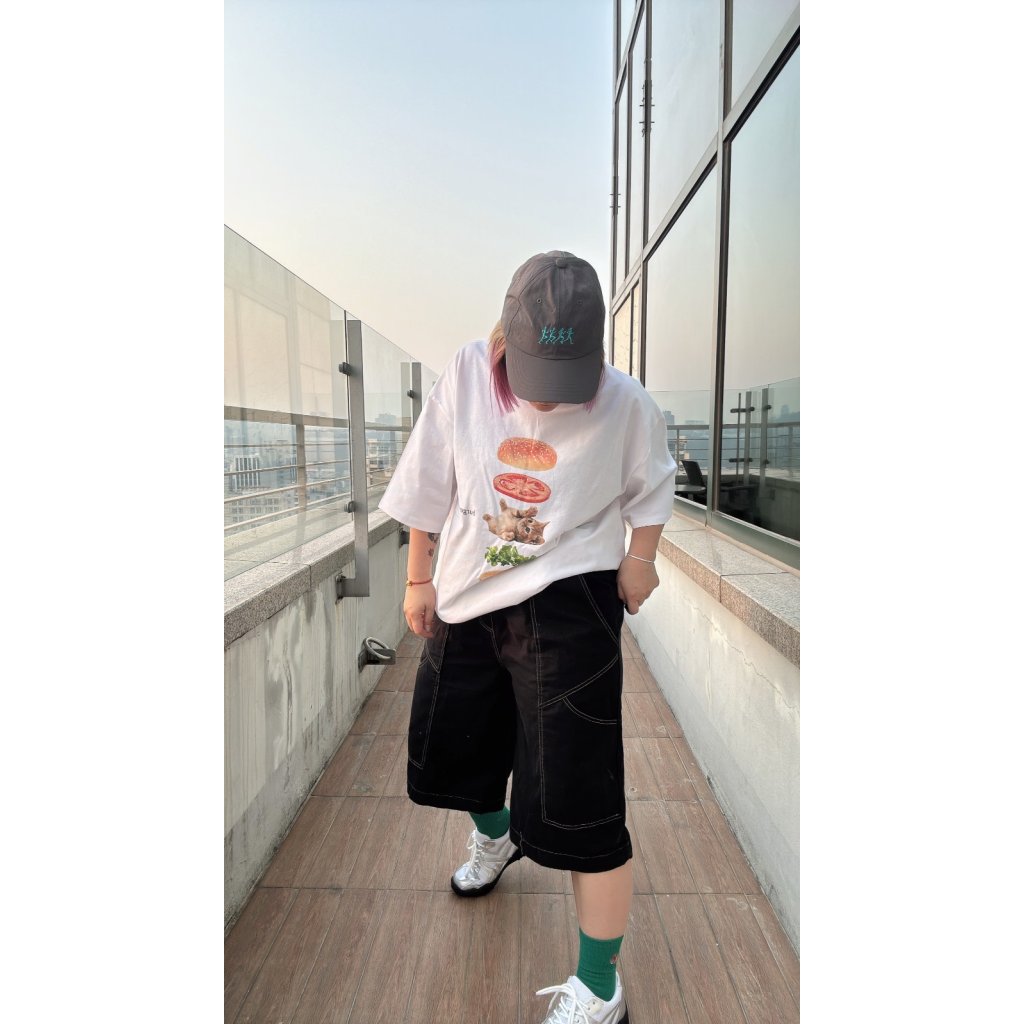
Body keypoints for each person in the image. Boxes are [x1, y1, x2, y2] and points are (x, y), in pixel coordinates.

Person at [378, 250, 675, 1024]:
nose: (548, 393)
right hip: (468, 593)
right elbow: (429, 480)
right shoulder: (466, 374)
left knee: (582, 797)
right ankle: (497, 837)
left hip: (570, 601)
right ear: (504, 337)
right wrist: (417, 578)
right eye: (535, 368)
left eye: (568, 373)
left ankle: (601, 986)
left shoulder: (626, 402)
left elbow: (653, 485)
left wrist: (641, 560)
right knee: (457, 748)